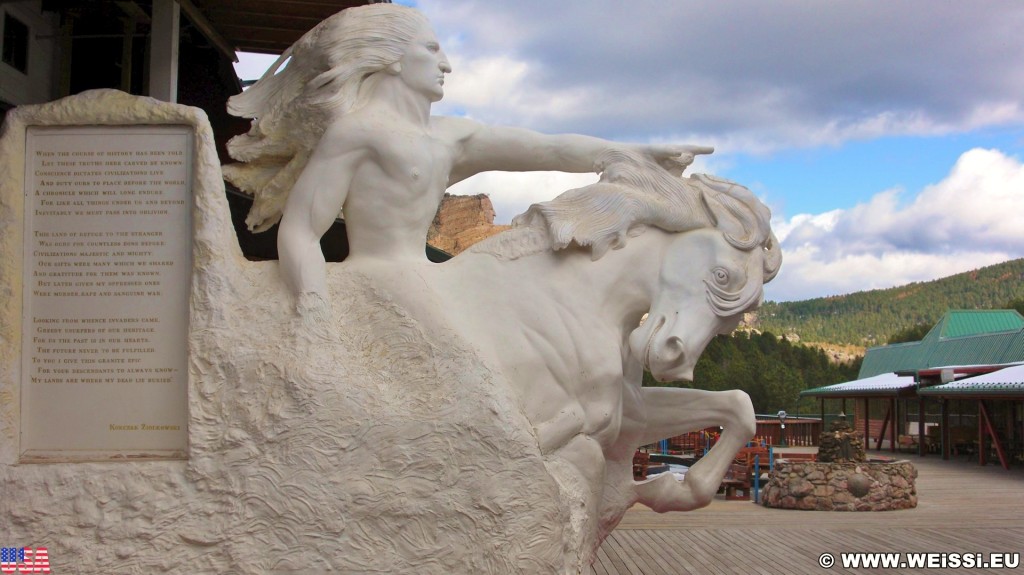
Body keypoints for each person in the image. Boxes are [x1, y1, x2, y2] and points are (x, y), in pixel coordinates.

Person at [223, 4, 712, 320]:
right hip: (383, 284)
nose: (446, 65)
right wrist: (312, 304)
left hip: (432, 279)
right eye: (431, 50)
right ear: (392, 58)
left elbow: (548, 148)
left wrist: (637, 154)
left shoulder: (451, 137)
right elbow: (303, 230)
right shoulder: (357, 134)